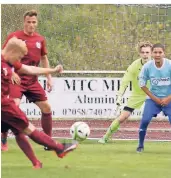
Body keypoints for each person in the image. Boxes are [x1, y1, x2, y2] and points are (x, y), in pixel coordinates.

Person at [1, 37, 78, 167]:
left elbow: (30, 69)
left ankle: (36, 163)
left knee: (18, 131)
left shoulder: (8, 61)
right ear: (12, 52)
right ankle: (59, 148)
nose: (19, 61)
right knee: (28, 128)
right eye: (19, 57)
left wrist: (52, 71)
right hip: (4, 105)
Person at [1, 9, 54, 151]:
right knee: (12, 108)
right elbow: (4, 55)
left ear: (37, 23)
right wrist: (11, 73)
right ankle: (3, 139)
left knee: (47, 108)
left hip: (32, 81)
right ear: (24, 22)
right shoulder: (14, 37)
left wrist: (49, 77)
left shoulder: (40, 39)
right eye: (29, 22)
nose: (31, 25)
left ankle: (48, 141)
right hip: (16, 80)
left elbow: (43, 58)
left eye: (34, 22)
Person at [98, 41, 153, 144]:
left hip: (154, 94)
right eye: (143, 52)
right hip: (138, 95)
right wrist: (119, 96)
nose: (145, 55)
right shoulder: (134, 66)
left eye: (147, 52)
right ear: (140, 53)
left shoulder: (157, 65)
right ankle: (105, 137)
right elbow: (125, 81)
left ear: (151, 53)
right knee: (123, 117)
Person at [137, 43, 171, 152]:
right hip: (153, 99)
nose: (157, 54)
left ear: (164, 53)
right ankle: (140, 146)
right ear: (152, 53)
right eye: (155, 52)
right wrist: (155, 99)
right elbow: (142, 84)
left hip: (169, 99)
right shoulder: (147, 67)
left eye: (160, 52)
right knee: (145, 120)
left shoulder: (169, 65)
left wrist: (168, 99)